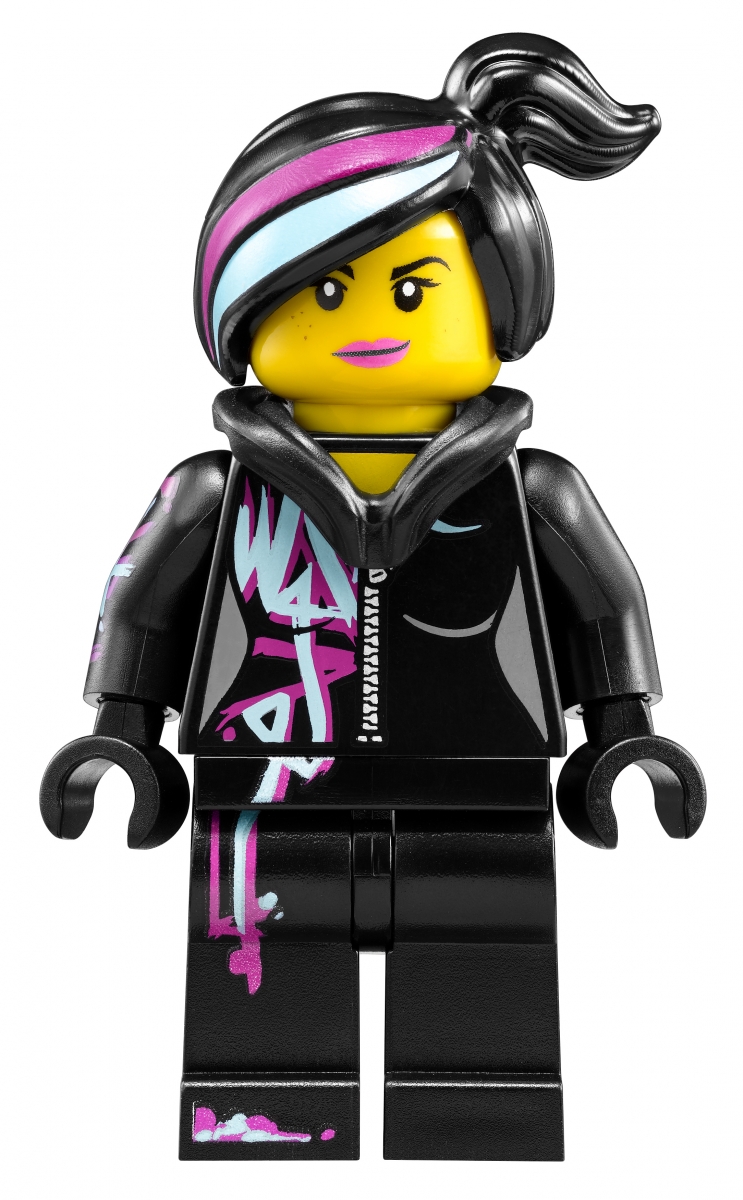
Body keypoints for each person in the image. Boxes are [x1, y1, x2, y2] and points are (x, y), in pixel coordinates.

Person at [40, 33, 705, 1161]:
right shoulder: (214, 490)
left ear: (497, 302)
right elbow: (141, 608)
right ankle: (266, 1123)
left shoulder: (533, 489)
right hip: (261, 784)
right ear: (247, 313)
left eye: (411, 288)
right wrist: (122, 733)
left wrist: (622, 733)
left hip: (482, 782)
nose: (369, 324)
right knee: (257, 993)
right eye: (323, 291)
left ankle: (477, 1117)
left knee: (482, 980)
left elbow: (605, 608)